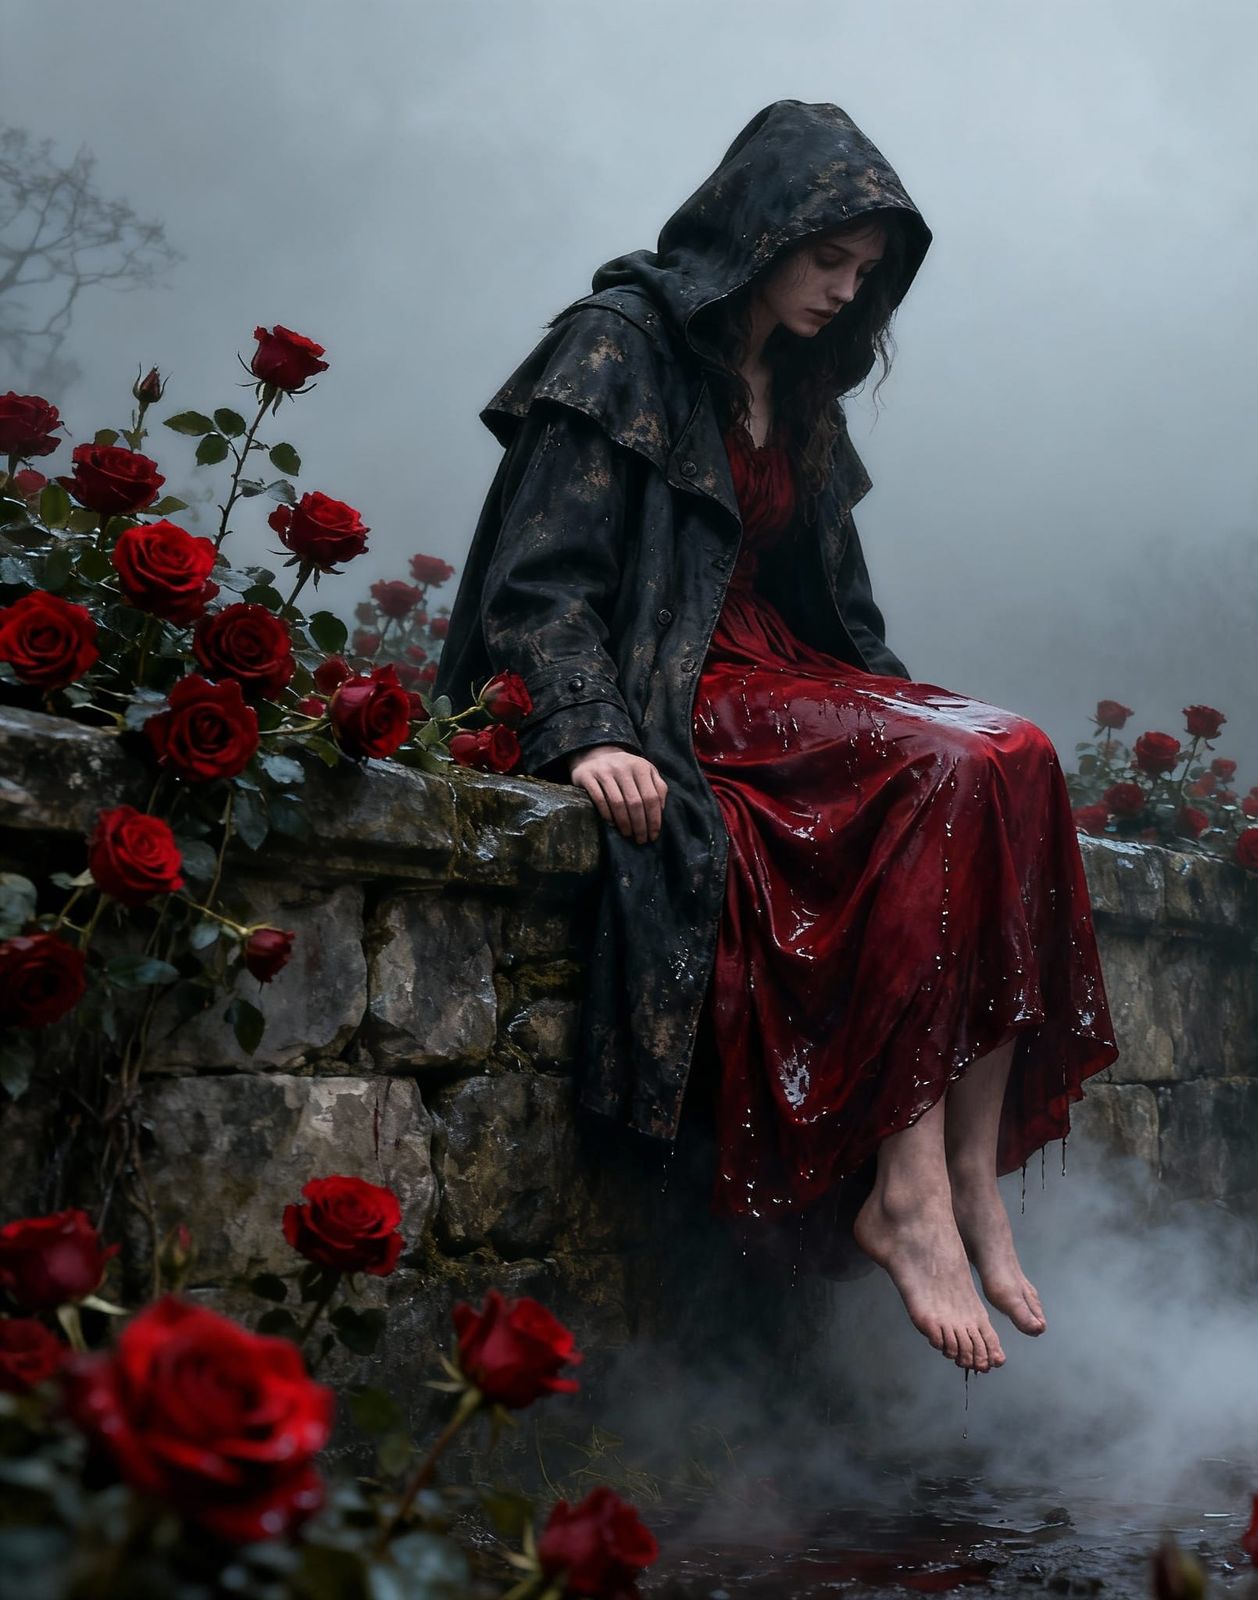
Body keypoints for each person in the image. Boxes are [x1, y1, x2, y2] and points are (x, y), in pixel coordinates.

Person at [438, 100, 1119, 1375]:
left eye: (865, 273)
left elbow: (842, 610)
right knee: (939, 768)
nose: (843, 291)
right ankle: (903, 1195)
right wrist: (584, 731)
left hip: (781, 669)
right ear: (761, 229)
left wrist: (911, 711)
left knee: (1010, 754)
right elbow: (536, 579)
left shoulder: (803, 381)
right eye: (827, 261)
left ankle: (970, 1180)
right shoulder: (619, 344)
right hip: (671, 679)